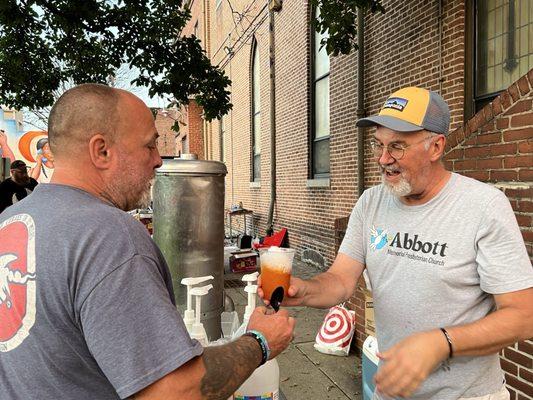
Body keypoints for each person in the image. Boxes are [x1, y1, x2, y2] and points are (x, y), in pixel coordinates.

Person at [0, 84, 295, 400]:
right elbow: (174, 392)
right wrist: (260, 342)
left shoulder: (11, 220)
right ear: (102, 151)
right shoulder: (107, 235)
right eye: (149, 146)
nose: (158, 161)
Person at [259, 87, 533, 399]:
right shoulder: (371, 203)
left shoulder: (483, 206)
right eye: (379, 144)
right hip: (392, 391)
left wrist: (440, 342)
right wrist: (306, 290)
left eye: (397, 147)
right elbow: (340, 279)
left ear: (436, 147)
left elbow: (523, 316)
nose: (383, 158)